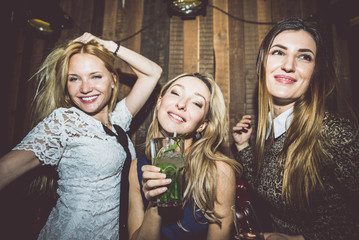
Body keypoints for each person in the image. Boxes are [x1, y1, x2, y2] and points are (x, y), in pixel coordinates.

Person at [0, 32, 162, 239]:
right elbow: (4, 171)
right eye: (74, 79)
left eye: (96, 76)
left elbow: (153, 73)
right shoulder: (64, 122)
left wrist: (109, 45)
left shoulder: (118, 121)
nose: (85, 88)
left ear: (113, 80)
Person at [232, 17, 359, 240]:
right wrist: (243, 146)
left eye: (304, 56)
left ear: (315, 71)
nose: (289, 65)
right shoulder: (268, 131)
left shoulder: (335, 133)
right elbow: (265, 183)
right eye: (279, 52)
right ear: (263, 62)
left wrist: (299, 238)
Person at [127, 73, 243, 240]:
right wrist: (155, 205)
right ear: (160, 102)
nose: (181, 104)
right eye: (175, 93)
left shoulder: (219, 172)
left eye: (196, 103)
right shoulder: (136, 168)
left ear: (202, 124)